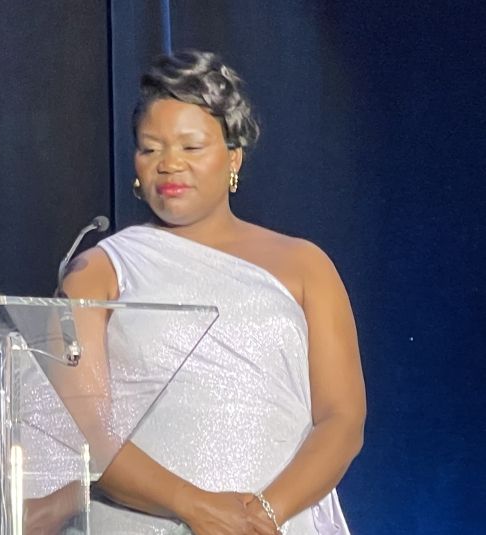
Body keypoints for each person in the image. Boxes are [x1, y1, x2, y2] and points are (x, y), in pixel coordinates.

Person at [61, 51, 366, 534]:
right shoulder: (99, 271)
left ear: (233, 157)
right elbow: (86, 432)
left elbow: (342, 420)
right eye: (151, 148)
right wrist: (195, 507)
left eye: (191, 147)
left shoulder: (305, 265)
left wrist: (264, 515)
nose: (169, 165)